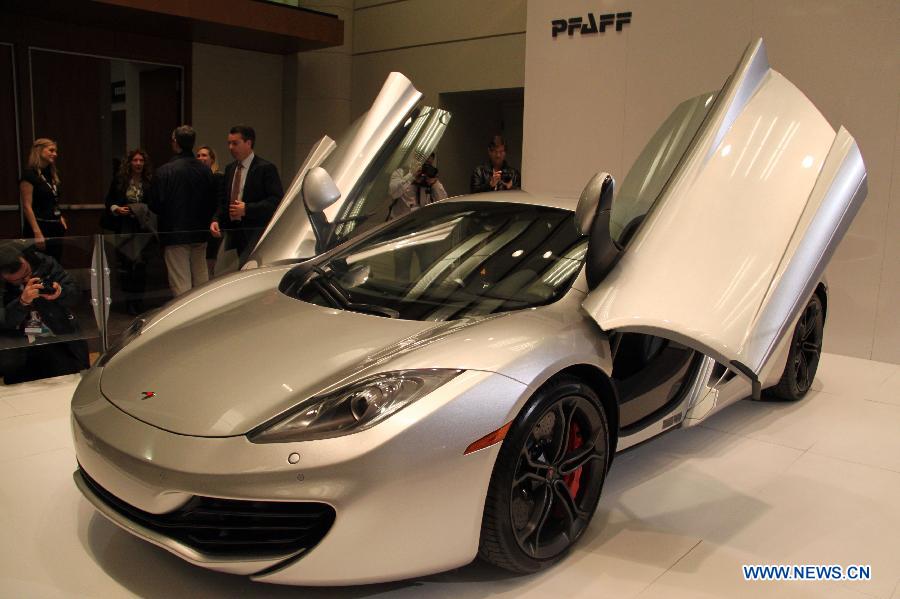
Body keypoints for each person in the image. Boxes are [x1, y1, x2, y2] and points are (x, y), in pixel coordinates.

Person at [0, 240, 89, 384]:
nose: (28, 280)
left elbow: (75, 294)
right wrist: (22, 302)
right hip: (18, 342)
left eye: (28, 272)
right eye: (20, 280)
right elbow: (4, 321)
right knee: (20, 386)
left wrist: (61, 292)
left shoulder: (43, 263)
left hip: (55, 334)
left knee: (69, 377)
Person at [147, 125, 216, 297]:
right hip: (200, 232)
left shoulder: (165, 171)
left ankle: (186, 321)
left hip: (175, 233)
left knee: (181, 286)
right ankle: (204, 317)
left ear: (175, 142)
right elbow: (213, 200)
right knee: (202, 281)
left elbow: (154, 203)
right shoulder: (205, 171)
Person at [210, 125, 283, 266]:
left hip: (254, 233)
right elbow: (223, 201)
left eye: (235, 143)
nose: (231, 147)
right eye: (229, 143)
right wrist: (216, 219)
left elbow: (276, 201)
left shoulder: (265, 168)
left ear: (248, 143)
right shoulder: (230, 168)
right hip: (232, 233)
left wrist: (247, 209)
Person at [101, 149, 157, 315]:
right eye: (135, 160)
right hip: (124, 227)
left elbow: (154, 203)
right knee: (126, 265)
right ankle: (129, 301)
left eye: (141, 160)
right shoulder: (120, 180)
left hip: (142, 228)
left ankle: (139, 301)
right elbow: (109, 200)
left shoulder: (149, 181)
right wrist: (117, 209)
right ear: (130, 163)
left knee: (141, 266)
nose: (138, 163)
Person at [20, 139, 67, 263]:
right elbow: (26, 206)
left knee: (56, 264)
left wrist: (60, 216)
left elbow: (52, 199)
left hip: (55, 226)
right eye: (51, 150)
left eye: (56, 151)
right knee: (39, 265)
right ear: (39, 150)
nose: (55, 154)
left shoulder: (51, 174)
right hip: (39, 226)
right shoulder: (29, 174)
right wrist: (37, 232)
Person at [388, 152, 448, 219]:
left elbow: (443, 203)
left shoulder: (429, 180)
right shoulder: (401, 173)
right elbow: (393, 193)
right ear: (415, 159)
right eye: (423, 163)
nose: (424, 167)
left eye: (429, 164)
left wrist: (434, 184)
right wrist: (411, 176)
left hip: (420, 222)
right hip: (398, 221)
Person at [197, 145, 225, 276]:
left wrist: (216, 219)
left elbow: (221, 201)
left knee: (211, 261)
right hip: (200, 224)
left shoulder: (218, 177)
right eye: (198, 155)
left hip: (213, 223)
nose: (200, 158)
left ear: (212, 159)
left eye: (204, 155)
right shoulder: (196, 178)